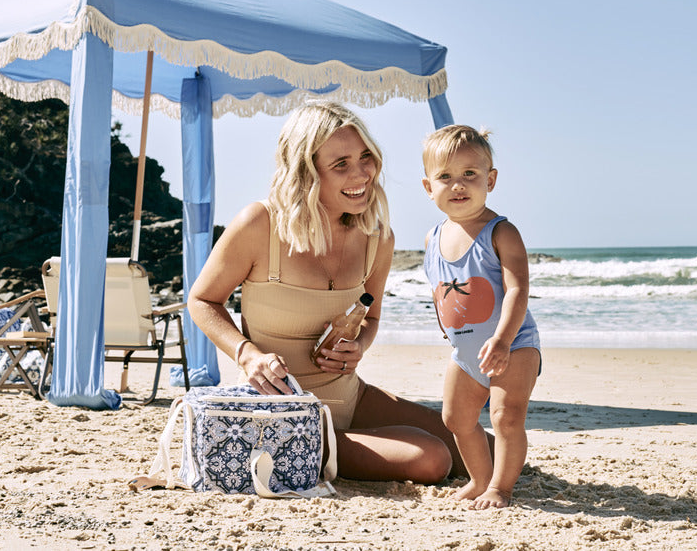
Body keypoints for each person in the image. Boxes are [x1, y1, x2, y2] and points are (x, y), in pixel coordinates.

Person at [188, 101, 463, 484]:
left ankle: (338, 445)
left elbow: (373, 316)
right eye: (341, 164)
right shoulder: (260, 224)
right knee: (431, 459)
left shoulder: (377, 238)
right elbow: (202, 300)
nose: (362, 173)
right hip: (282, 413)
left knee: (485, 449)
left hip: (350, 397)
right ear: (306, 171)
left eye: (366, 156)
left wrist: (360, 346)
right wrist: (247, 355)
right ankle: (310, 448)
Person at [421, 124, 541, 509]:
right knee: (456, 418)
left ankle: (500, 489)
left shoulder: (501, 232)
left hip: (513, 344)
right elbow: (442, 288)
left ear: (490, 180)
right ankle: (480, 479)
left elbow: (518, 289)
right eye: (446, 177)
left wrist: (504, 339)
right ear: (429, 187)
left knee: (506, 417)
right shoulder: (432, 239)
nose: (458, 185)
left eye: (469, 174)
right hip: (467, 352)